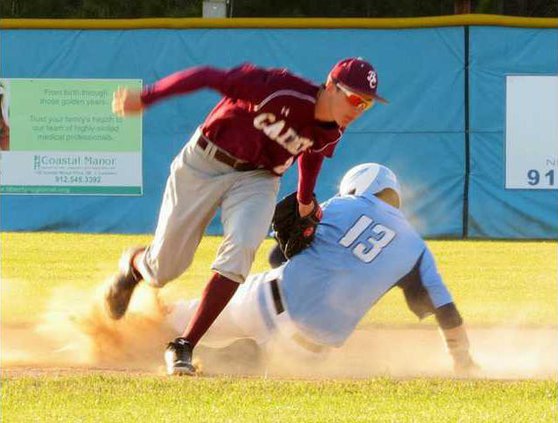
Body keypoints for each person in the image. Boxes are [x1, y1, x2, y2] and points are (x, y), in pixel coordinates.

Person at [105, 58, 387, 375]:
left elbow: (312, 153)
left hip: (260, 179)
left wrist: (305, 200)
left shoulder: (333, 130)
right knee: (165, 268)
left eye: (366, 104)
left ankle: (184, 344)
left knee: (241, 249)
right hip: (205, 161)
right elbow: (207, 74)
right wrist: (147, 97)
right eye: (354, 98)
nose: (358, 108)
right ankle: (134, 267)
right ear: (332, 86)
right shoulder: (279, 90)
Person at [164, 163, 479, 376]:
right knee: (287, 358)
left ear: (357, 187)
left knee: (174, 319)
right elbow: (447, 312)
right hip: (308, 351)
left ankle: (144, 327)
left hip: (263, 302)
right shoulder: (417, 249)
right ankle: (251, 355)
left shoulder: (343, 205)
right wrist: (461, 359)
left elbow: (278, 256)